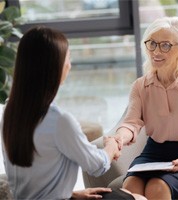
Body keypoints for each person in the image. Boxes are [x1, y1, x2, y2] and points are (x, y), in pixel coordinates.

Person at [0, 26, 146, 200]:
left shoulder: (10, 112)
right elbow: (97, 165)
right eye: (67, 58)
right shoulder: (59, 120)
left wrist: (72, 194)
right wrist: (111, 146)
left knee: (124, 194)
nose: (69, 65)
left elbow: (33, 176)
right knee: (138, 199)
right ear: (53, 67)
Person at [113, 16, 178, 200]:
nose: (156, 51)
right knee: (130, 187)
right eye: (152, 43)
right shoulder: (140, 86)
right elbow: (131, 123)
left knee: (157, 187)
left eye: (165, 45)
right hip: (154, 152)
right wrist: (119, 138)